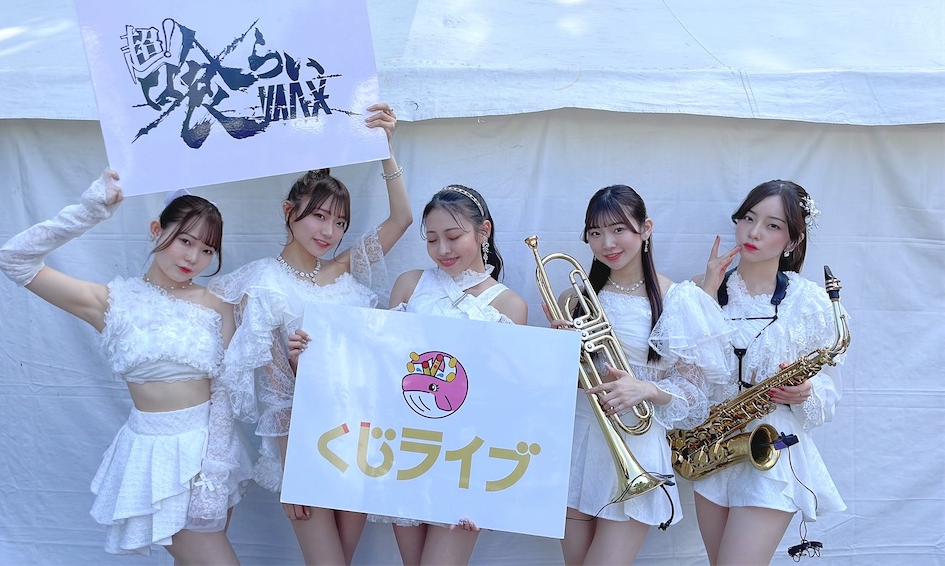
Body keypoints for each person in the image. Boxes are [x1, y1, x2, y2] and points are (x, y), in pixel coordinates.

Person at [0, 170, 251, 563]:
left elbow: (225, 387)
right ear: (156, 229)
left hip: (210, 450)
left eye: (206, 250)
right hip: (153, 453)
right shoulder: (113, 302)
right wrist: (90, 210)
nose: (193, 258)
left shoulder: (218, 301)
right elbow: (14, 259)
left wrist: (214, 466)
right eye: (185, 240)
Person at [208, 103, 412, 565]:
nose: (330, 231)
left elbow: (401, 219)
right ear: (289, 211)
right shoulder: (263, 283)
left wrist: (385, 148)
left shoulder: (344, 271)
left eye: (340, 222)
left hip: (361, 436)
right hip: (307, 444)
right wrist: (292, 473)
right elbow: (276, 392)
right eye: (319, 216)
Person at [551, 185, 731, 566]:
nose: (607, 243)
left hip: (637, 445)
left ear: (646, 228)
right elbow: (557, 383)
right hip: (576, 441)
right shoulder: (573, 298)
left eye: (618, 230)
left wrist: (645, 389)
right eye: (596, 232)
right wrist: (560, 351)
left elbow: (696, 396)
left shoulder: (678, 298)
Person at [690, 180, 846, 565]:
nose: (754, 232)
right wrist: (706, 296)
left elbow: (829, 395)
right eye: (748, 218)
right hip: (714, 449)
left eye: (772, 225)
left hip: (774, 448)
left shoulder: (811, 302)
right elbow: (683, 374)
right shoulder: (699, 291)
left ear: (794, 240)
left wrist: (807, 391)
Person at [375, 184, 527, 566]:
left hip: (466, 459)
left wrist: (489, 481)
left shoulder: (510, 305)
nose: (442, 249)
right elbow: (385, 367)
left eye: (453, 236)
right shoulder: (409, 285)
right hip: (407, 450)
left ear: (483, 231)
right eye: (431, 239)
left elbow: (504, 401)